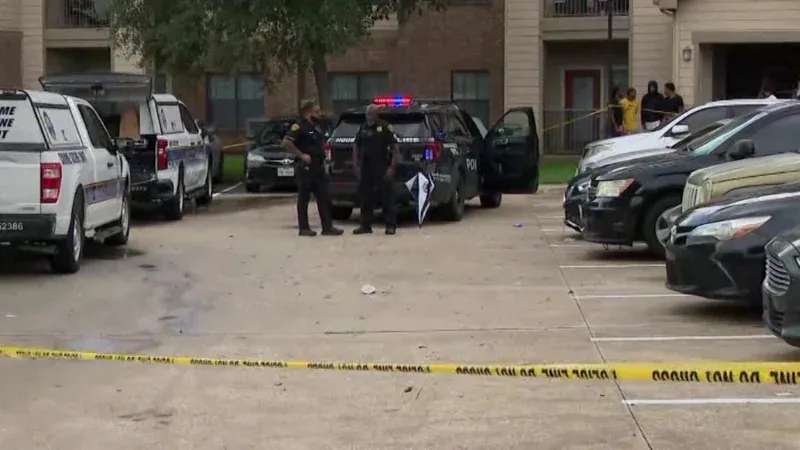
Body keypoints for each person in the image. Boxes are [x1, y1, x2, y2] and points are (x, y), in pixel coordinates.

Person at [282, 99, 343, 237]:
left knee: (324, 196)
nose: (319, 113)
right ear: (308, 111)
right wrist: (301, 155)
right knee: (304, 198)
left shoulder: (316, 125)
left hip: (319, 166)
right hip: (306, 168)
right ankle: (304, 228)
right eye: (316, 110)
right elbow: (286, 143)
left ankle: (327, 227)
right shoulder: (298, 126)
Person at [352, 104, 400, 235]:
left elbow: (395, 148)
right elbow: (356, 146)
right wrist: (355, 164)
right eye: (367, 114)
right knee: (365, 197)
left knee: (387, 196)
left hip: (382, 166)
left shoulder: (385, 127)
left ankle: (390, 225)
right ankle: (365, 225)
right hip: (366, 167)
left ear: (377, 114)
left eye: (371, 114)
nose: (369, 116)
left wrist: (392, 167)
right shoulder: (363, 127)